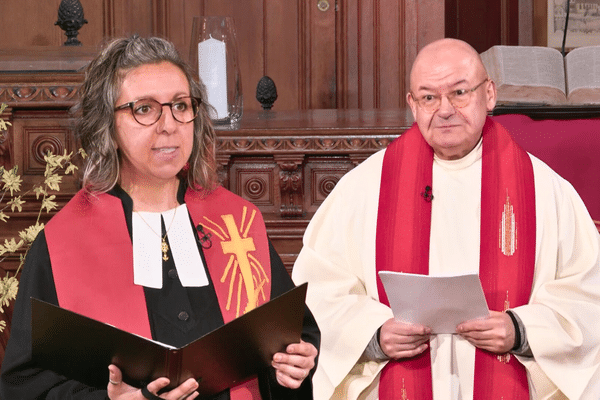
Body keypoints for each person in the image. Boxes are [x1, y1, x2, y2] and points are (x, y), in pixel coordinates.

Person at [0, 36, 319, 400]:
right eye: (145, 109)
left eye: (181, 106)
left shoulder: (236, 221)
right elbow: (26, 387)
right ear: (108, 125)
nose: (169, 125)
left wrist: (293, 367)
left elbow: (291, 334)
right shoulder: (63, 244)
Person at [291, 38, 600, 400]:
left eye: (459, 93)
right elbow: (316, 293)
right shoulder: (362, 190)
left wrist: (522, 330)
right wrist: (374, 335)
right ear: (412, 105)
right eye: (428, 97)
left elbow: (587, 297)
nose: (445, 110)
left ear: (489, 94)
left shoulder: (545, 191)